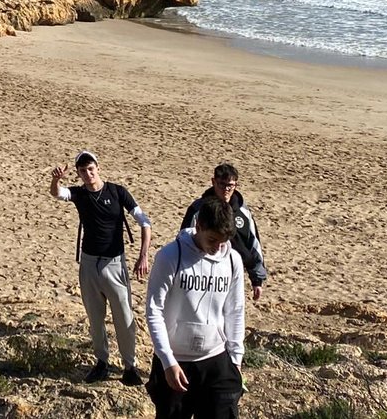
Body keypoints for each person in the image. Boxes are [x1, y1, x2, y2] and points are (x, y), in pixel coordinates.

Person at [50, 151, 152, 386]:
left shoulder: (117, 192)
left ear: (98, 167)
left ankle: (130, 366)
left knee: (124, 316)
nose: (87, 174)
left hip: (115, 263)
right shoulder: (79, 194)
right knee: (95, 318)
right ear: (78, 173)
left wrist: (143, 255)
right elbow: (58, 194)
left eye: (90, 169)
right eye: (82, 170)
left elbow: (144, 222)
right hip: (88, 264)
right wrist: (56, 179)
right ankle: (102, 363)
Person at [145, 197, 245, 418]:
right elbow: (154, 310)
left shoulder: (232, 260)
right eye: (212, 239)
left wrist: (236, 359)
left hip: (217, 361)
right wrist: (167, 361)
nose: (216, 248)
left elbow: (235, 310)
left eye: (222, 242)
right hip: (176, 362)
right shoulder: (170, 256)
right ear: (198, 226)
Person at [180, 164, 267, 302]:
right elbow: (184, 240)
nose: (226, 190)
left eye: (230, 186)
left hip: (231, 273)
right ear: (213, 182)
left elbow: (253, 245)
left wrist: (257, 280)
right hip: (201, 271)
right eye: (222, 184)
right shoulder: (199, 209)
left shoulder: (244, 212)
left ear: (236, 185)